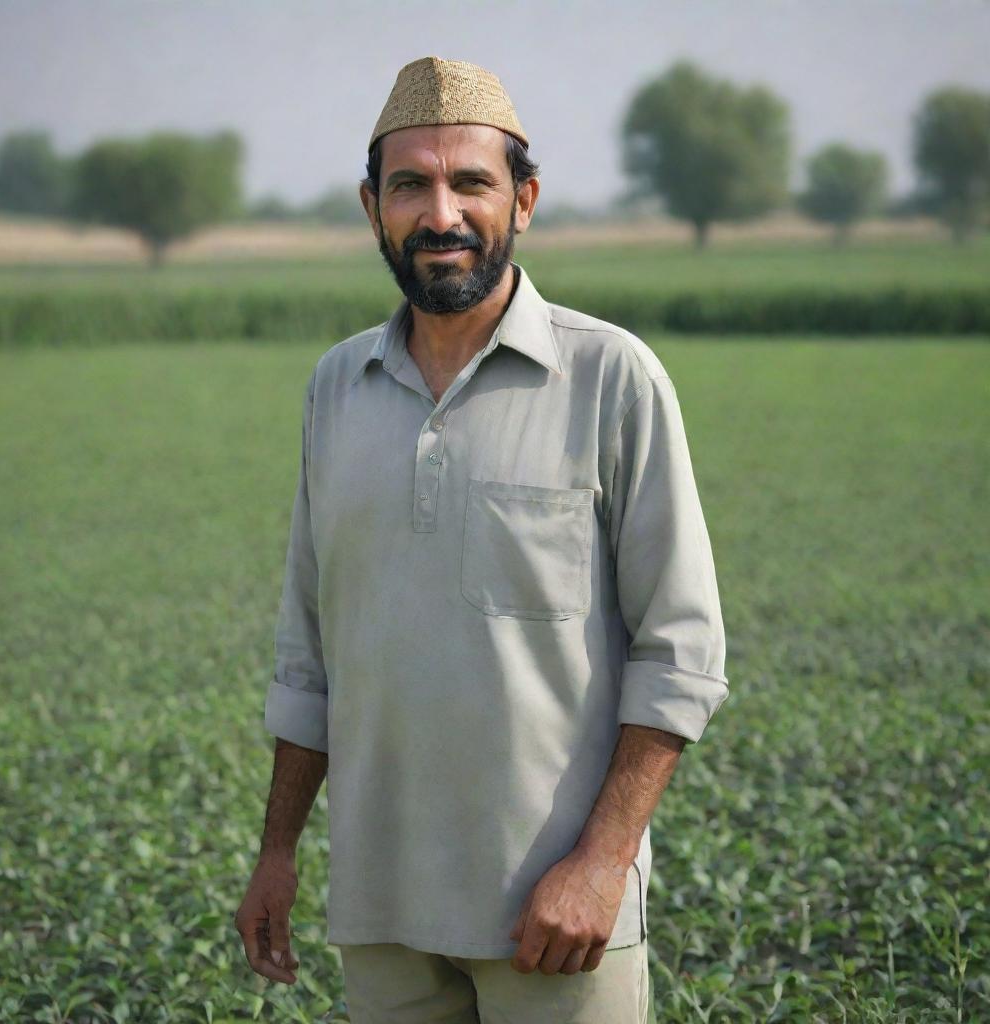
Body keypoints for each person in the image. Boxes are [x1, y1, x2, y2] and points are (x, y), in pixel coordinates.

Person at [234, 55, 730, 1023]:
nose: (442, 213)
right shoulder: (337, 388)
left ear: (525, 199)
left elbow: (683, 652)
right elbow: (309, 653)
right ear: (373, 206)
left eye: (472, 182)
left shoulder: (610, 381)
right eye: (411, 184)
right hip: (379, 916)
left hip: (552, 921)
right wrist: (278, 850)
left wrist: (599, 863)